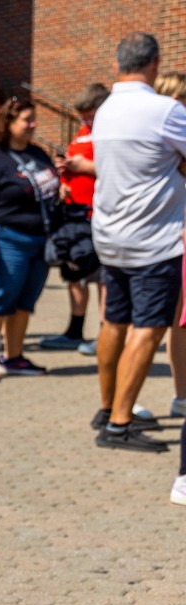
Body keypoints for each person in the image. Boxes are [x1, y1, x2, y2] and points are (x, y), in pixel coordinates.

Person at [91, 33, 186, 457]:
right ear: (155, 63)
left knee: (114, 322)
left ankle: (107, 406)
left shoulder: (105, 110)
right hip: (154, 240)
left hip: (111, 236)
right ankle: (120, 422)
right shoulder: (165, 111)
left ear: (117, 65)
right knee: (148, 329)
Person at [0, 97, 58, 382]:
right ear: (8, 124)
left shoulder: (38, 153)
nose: (33, 125)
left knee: (24, 301)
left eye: (33, 119)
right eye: (27, 120)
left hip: (39, 240)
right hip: (5, 239)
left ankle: (13, 358)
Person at [41, 83, 109, 353]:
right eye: (82, 116)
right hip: (72, 215)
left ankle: (106, 334)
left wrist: (84, 167)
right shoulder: (82, 132)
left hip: (97, 215)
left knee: (103, 277)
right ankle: (74, 331)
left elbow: (118, 168)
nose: (84, 121)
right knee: (74, 274)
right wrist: (63, 170)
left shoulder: (110, 132)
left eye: (89, 115)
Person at [151, 72, 186, 423]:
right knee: (160, 322)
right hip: (164, 242)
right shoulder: (159, 144)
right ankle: (119, 403)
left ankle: (181, 395)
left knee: (180, 323)